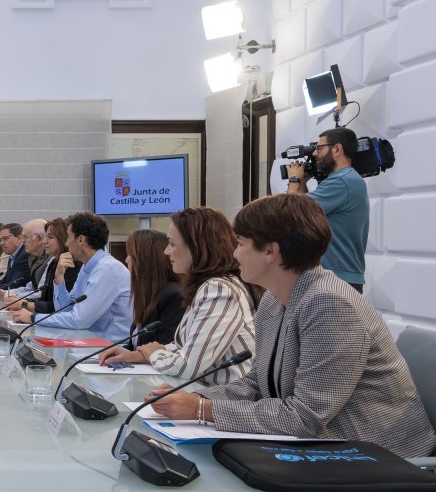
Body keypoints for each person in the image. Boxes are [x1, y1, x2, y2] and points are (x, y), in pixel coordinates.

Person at [148, 194, 435, 457]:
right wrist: (193, 397)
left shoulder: (331, 306)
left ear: (271, 251)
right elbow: (256, 382)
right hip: (325, 443)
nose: (234, 254)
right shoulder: (275, 300)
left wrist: (202, 409)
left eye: (241, 243)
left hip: (377, 453)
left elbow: (305, 417)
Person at [100, 208, 255, 384]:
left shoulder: (219, 289)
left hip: (222, 401)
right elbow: (184, 347)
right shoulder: (206, 287)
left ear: (196, 247)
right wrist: (137, 355)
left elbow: (186, 365)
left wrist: (154, 354)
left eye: (172, 244)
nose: (166, 251)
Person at [286, 126, 369, 291]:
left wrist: (294, 179)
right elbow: (308, 212)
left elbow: (290, 211)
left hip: (337, 280)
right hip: (340, 277)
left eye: (319, 148)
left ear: (337, 149)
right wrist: (303, 184)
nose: (315, 154)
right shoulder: (347, 180)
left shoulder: (341, 181)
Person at [37, 212, 132, 341]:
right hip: (90, 344)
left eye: (69, 237)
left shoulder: (107, 269)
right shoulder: (87, 266)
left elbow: (79, 320)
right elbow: (66, 309)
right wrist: (59, 277)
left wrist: (34, 318)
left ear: (81, 239)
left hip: (111, 348)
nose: (66, 244)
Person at [100, 230, 181, 357]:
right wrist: (117, 353)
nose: (126, 260)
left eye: (130, 255)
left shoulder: (173, 296)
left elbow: (167, 353)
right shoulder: (148, 296)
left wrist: (130, 357)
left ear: (145, 260)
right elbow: (135, 345)